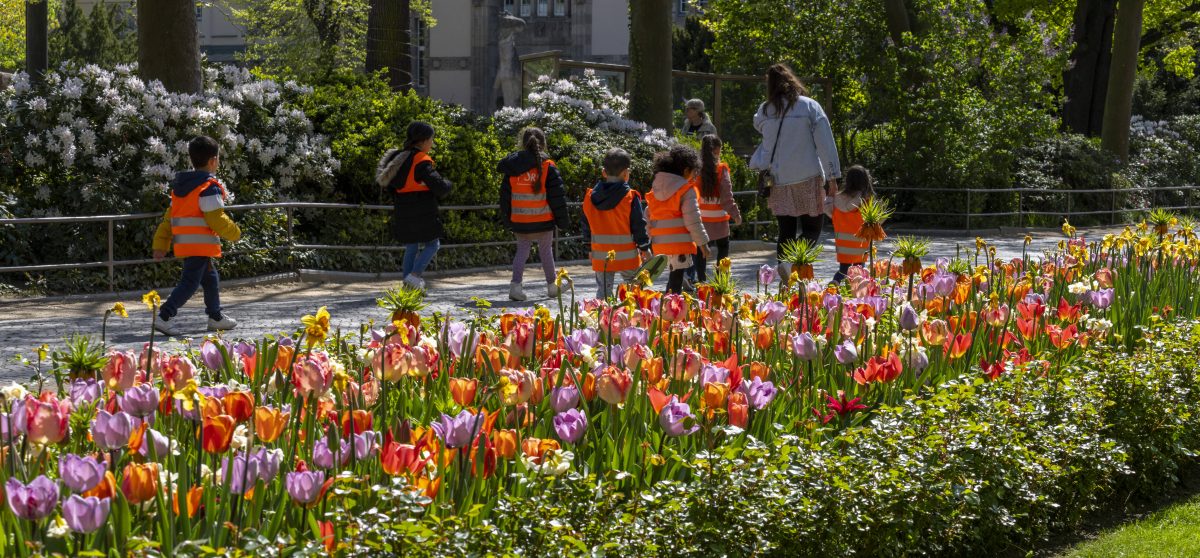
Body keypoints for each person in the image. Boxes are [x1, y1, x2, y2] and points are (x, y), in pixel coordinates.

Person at [750, 63, 842, 274]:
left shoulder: (765, 110)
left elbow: (759, 127)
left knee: (786, 230)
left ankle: (785, 267)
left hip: (779, 179)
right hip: (808, 177)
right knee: (812, 229)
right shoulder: (810, 107)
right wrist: (832, 176)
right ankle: (790, 265)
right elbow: (825, 143)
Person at [151, 136, 241, 336]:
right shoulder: (208, 187)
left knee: (210, 279)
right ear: (213, 161)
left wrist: (161, 244)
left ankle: (215, 316)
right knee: (190, 283)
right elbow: (216, 218)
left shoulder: (181, 188)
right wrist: (235, 233)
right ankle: (164, 316)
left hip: (187, 244)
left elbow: (168, 219)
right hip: (201, 245)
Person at [377, 121, 454, 290]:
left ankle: (407, 288)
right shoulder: (421, 161)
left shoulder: (400, 158)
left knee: (411, 246)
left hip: (403, 210)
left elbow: (391, 186)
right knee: (433, 244)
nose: (432, 143)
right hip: (423, 210)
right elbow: (440, 187)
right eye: (431, 140)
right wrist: (449, 183)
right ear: (424, 140)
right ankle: (414, 275)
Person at [499, 127, 570, 301]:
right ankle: (552, 286)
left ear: (523, 144)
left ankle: (515, 286)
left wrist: (507, 220)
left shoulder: (512, 167)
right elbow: (556, 198)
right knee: (546, 252)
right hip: (543, 219)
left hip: (520, 220)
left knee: (522, 251)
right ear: (543, 144)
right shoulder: (548, 167)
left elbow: (505, 197)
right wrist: (563, 222)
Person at [582, 148, 651, 299]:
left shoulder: (590, 198)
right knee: (634, 290)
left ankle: (603, 321)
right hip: (627, 257)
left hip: (601, 256)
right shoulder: (630, 197)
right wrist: (644, 247)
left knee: (603, 293)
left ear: (603, 172)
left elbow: (586, 225)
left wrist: (589, 247)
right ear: (626, 173)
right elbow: (638, 224)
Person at [647, 145, 710, 294]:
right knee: (676, 278)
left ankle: (669, 303)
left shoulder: (655, 189)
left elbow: (648, 214)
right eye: (694, 172)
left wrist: (647, 241)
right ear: (686, 170)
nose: (694, 177)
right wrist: (703, 243)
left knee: (674, 276)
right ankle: (671, 309)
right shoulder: (685, 190)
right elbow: (693, 219)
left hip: (659, 243)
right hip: (679, 243)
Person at [691, 134, 743, 283]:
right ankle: (721, 281)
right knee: (723, 249)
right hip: (719, 219)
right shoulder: (722, 169)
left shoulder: (696, 170)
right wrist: (735, 214)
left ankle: (701, 281)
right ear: (716, 150)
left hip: (701, 219)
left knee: (701, 251)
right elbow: (727, 196)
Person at [825, 165, 874, 283]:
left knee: (843, 269)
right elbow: (874, 220)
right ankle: (858, 291)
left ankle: (835, 284)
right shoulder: (866, 200)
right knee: (859, 269)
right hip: (860, 244)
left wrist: (830, 197)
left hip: (843, 245)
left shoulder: (837, 199)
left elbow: (828, 211)